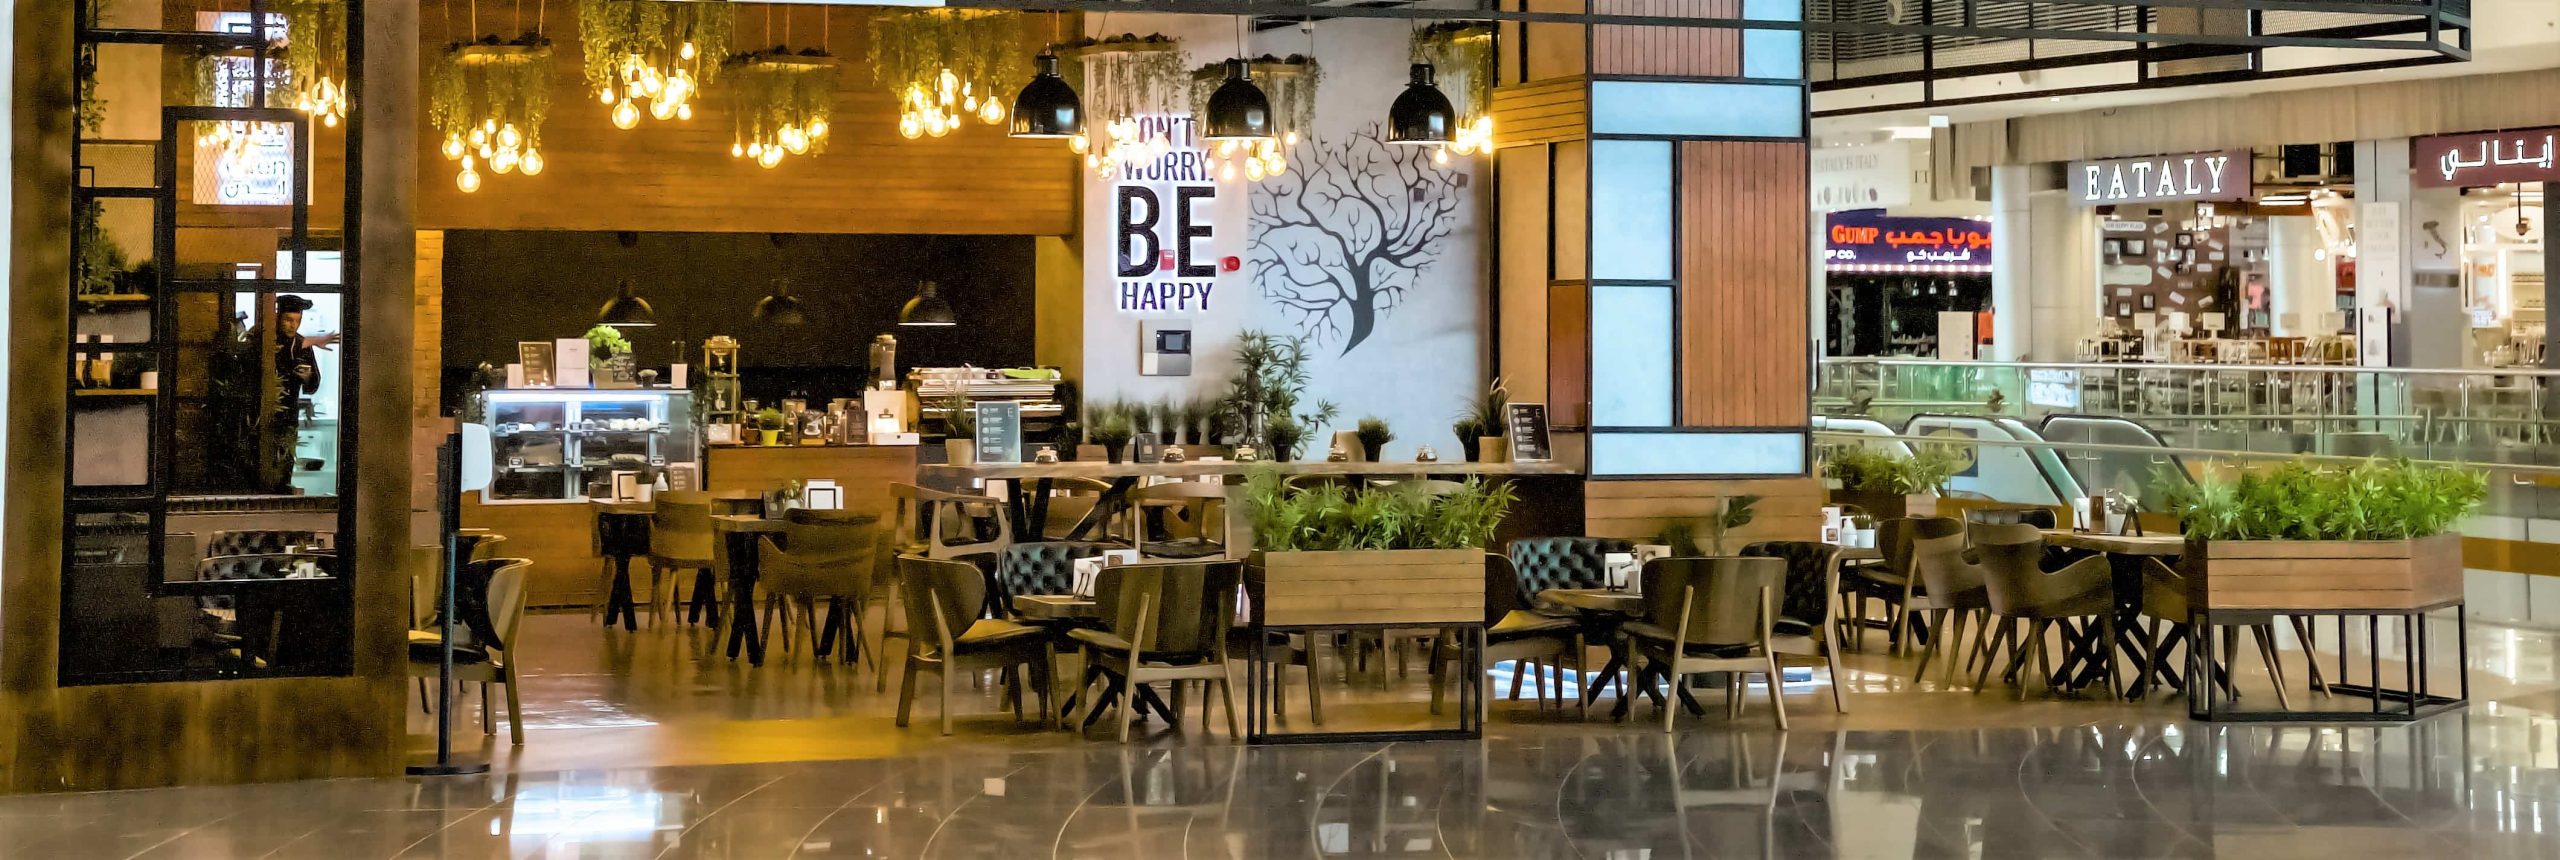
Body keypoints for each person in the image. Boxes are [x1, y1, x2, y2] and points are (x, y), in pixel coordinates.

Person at [264, 295, 337, 491]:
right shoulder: (266, 340)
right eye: (288, 320)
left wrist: (308, 377)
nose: (293, 325)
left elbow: (314, 384)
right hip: (264, 408)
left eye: (297, 321)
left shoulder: (302, 344)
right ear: (278, 318)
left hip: (289, 410)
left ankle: (283, 486)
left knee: (286, 454)